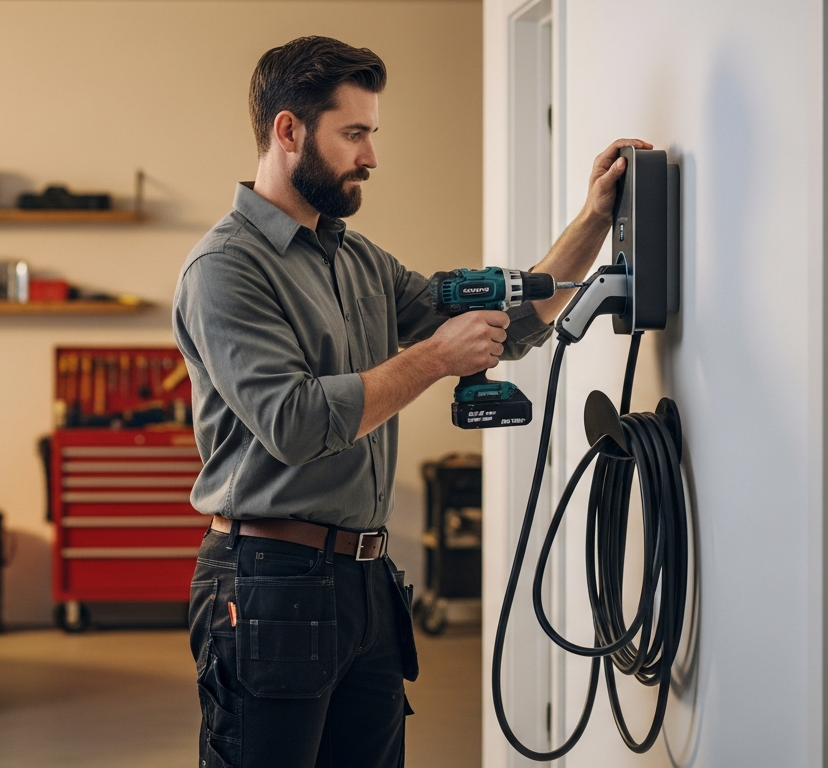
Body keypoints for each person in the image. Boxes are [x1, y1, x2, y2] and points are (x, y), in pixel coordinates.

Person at [172, 35, 649, 768]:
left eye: (372, 134)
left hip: (367, 581)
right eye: (354, 134)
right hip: (267, 583)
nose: (370, 156)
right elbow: (294, 423)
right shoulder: (225, 268)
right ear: (288, 131)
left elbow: (506, 327)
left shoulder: (359, 261)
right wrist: (433, 360)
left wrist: (592, 221)